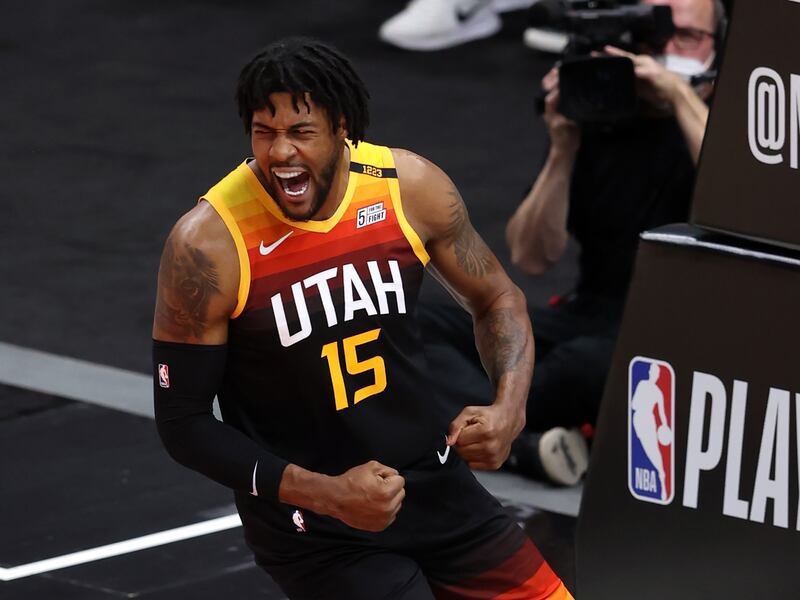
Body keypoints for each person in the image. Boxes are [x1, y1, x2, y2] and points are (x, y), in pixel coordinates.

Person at [151, 37, 572, 600]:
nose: (279, 154)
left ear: (342, 128)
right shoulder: (209, 244)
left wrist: (509, 407)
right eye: (263, 132)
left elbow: (497, 298)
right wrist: (326, 494)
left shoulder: (409, 188)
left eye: (300, 133)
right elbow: (183, 422)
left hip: (434, 484)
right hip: (315, 524)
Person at [420, 0, 725, 485]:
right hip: (593, 308)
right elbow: (531, 256)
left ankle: (462, 418)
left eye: (685, 37)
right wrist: (562, 149)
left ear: (718, 49)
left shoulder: (726, 124)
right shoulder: (600, 110)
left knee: (574, 369)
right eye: (652, 35)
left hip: (684, 323)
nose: (663, 51)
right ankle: (521, 445)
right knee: (419, 325)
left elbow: (738, 200)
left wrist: (676, 91)